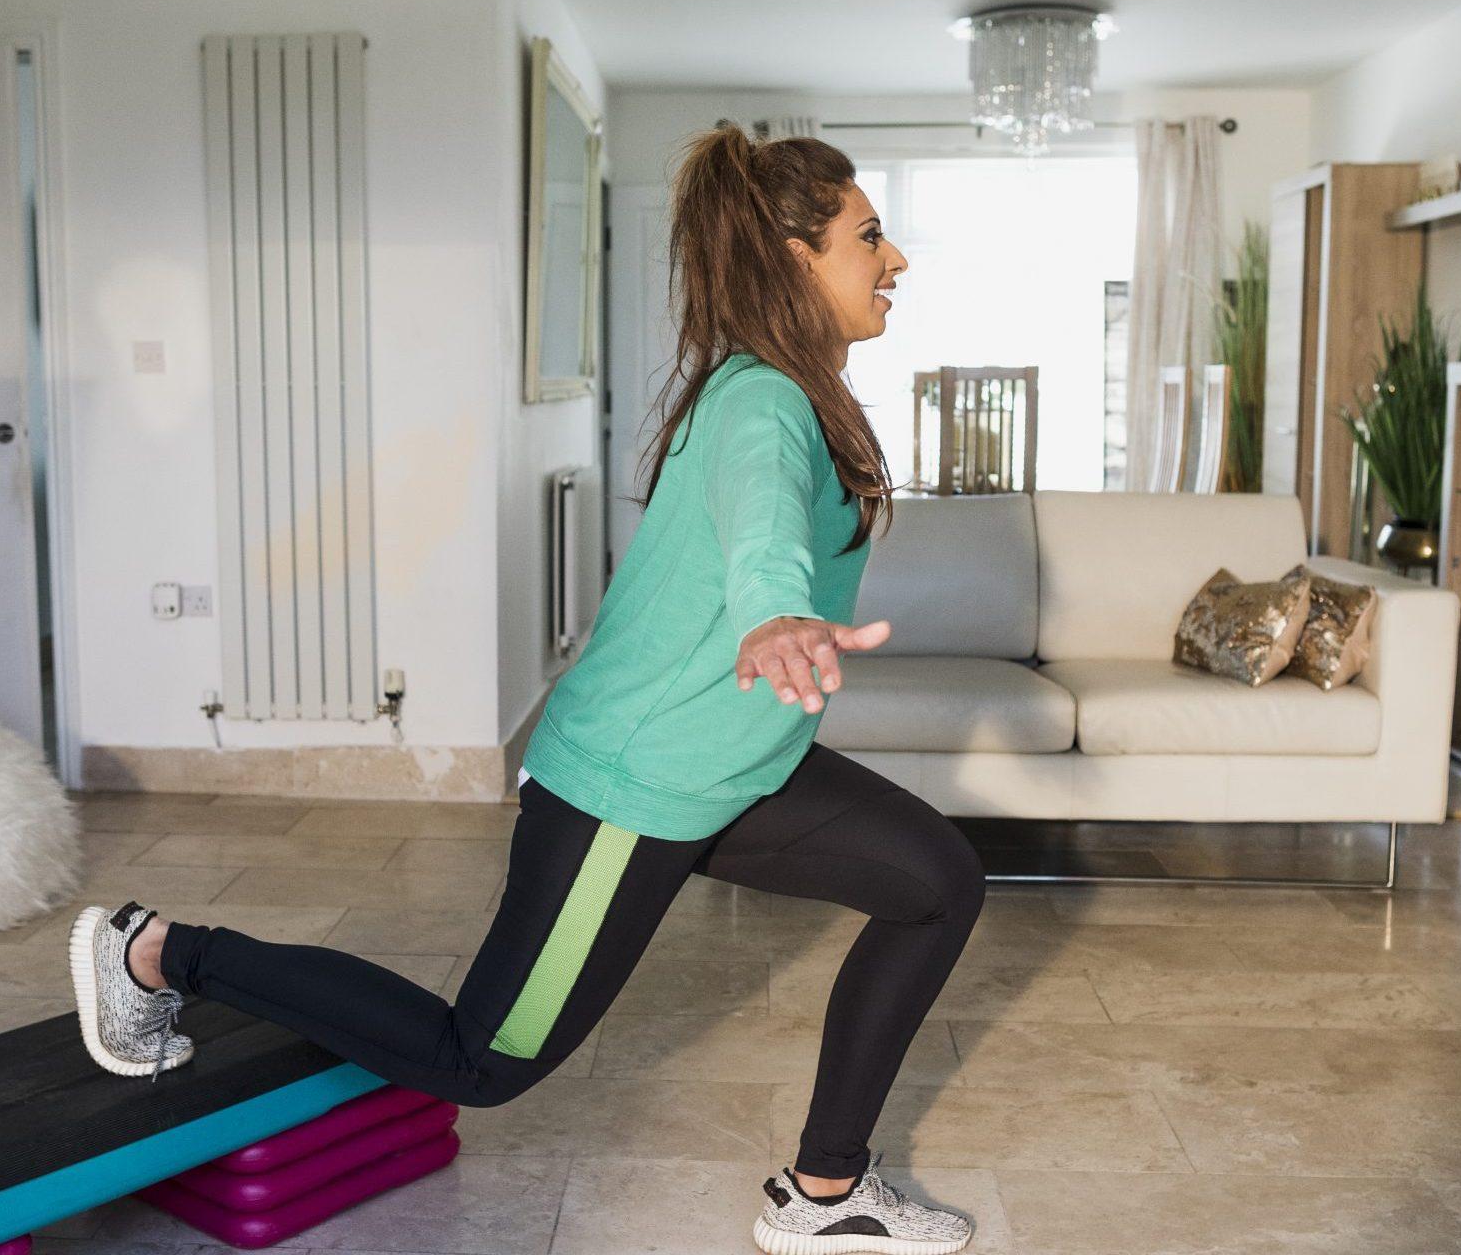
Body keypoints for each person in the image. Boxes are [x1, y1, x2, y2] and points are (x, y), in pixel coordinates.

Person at [70, 122, 984, 1255]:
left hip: (737, 764)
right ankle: (157, 949)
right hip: (638, 785)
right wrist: (776, 613)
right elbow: (762, 532)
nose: (893, 261)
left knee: (936, 881)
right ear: (794, 257)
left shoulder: (795, 392)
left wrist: (776, 618)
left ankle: (825, 1190)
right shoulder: (763, 403)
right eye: (868, 236)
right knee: (481, 1061)